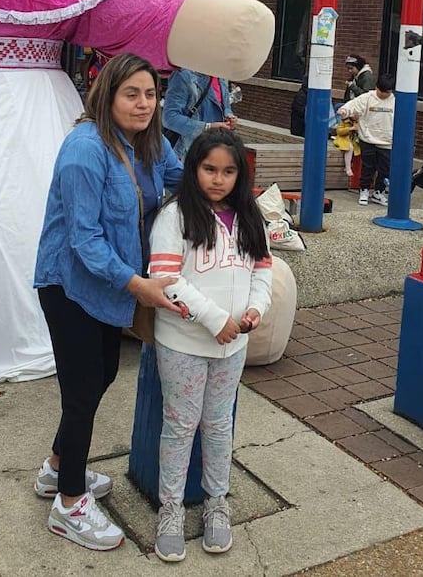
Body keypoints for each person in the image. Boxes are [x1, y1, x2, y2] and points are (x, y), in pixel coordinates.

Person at [33, 53, 183, 552]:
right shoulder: (85, 149)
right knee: (81, 390)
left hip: (111, 284)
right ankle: (70, 504)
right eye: (131, 94)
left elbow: (183, 178)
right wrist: (140, 287)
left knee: (102, 374)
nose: (143, 104)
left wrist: (227, 197)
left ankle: (57, 469)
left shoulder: (150, 141)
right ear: (107, 95)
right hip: (71, 283)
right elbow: (85, 240)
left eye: (150, 94)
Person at [148, 129, 272, 562]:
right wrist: (216, 319)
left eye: (229, 171)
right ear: (193, 168)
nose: (218, 180)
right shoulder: (175, 215)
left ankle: (217, 502)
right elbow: (166, 278)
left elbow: (263, 269)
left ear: (240, 174)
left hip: (232, 345)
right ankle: (171, 509)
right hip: (183, 342)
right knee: (180, 425)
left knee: (219, 425)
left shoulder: (249, 216)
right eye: (209, 169)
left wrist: (256, 308)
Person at [336, 73, 395, 207]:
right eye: (381, 91)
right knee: (368, 167)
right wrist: (345, 110)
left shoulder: (396, 101)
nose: (383, 95)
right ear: (376, 87)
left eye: (386, 92)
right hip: (368, 139)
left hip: (387, 141)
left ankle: (379, 192)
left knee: (384, 169)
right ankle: (364, 190)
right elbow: (353, 105)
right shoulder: (367, 98)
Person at [162, 67, 237, 158]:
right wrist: (206, 127)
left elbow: (225, 106)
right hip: (190, 153)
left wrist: (229, 116)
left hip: (216, 150)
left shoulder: (222, 76)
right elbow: (169, 118)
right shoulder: (184, 75)